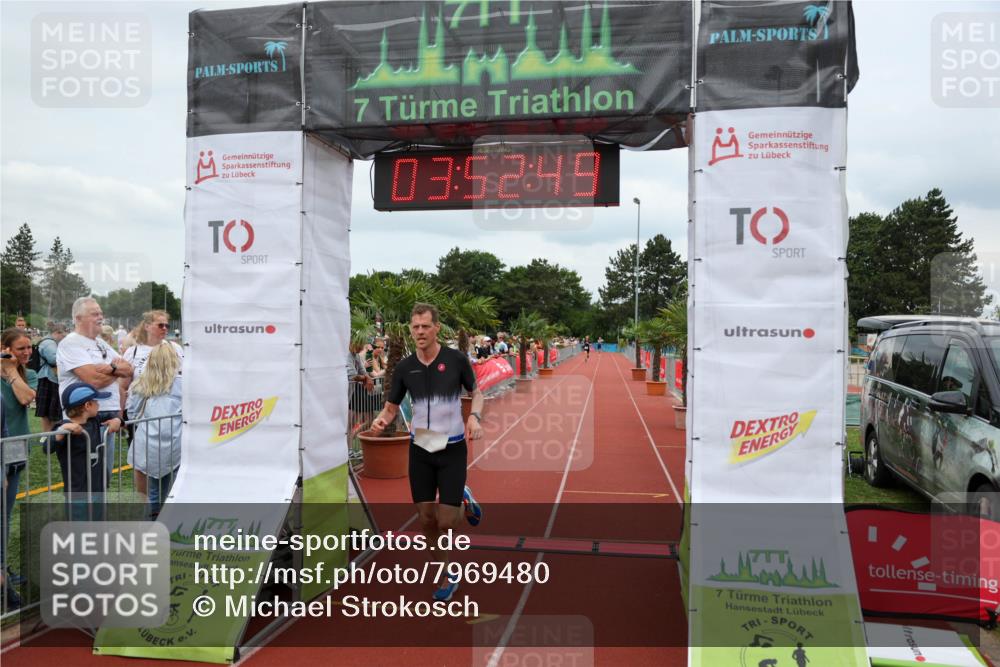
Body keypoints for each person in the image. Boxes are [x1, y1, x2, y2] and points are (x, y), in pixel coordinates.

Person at [371, 303, 483, 602]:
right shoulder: (406, 367)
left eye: (425, 326)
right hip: (422, 445)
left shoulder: (456, 360)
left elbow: (477, 393)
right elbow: (392, 406)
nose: (419, 332)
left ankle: (462, 497)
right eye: (415, 327)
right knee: (425, 518)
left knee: (446, 521)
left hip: (452, 446)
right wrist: (382, 420)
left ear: (436, 328)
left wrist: (474, 416)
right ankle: (447, 573)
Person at [57, 297, 132, 479]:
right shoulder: (70, 343)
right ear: (78, 318)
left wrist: (108, 369)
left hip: (108, 416)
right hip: (83, 419)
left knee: (103, 477)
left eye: (101, 313)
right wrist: (115, 369)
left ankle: (99, 509)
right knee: (85, 480)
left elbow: (129, 369)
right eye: (94, 314)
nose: (100, 317)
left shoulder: (100, 343)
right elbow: (93, 381)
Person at [126, 344, 182, 518]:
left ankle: (150, 519)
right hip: (176, 439)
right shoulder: (183, 384)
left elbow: (133, 413)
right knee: (173, 483)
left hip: (148, 438)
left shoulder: (141, 384)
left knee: (152, 487)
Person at [1, 328, 37, 590]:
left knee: (6, 513)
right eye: (21, 348)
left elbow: (26, 397)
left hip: (16, 452)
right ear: (6, 348)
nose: (27, 353)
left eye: (29, 348)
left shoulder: (29, 374)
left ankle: (3, 568)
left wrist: (11, 372)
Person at [47, 382, 115, 518]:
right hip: (78, 493)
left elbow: (113, 415)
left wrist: (117, 421)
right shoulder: (62, 426)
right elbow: (47, 447)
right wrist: (62, 431)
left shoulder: (94, 419)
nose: (99, 404)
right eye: (96, 401)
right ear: (87, 405)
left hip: (98, 488)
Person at [35, 322, 67, 433]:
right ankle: (48, 436)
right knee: (49, 411)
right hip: (49, 379)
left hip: (49, 378)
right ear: (57, 333)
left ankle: (49, 436)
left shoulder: (49, 342)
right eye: (63, 335)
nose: (64, 338)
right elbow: (54, 359)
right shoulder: (49, 343)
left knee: (50, 411)